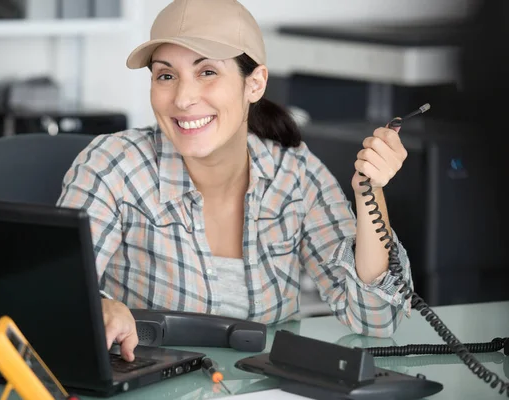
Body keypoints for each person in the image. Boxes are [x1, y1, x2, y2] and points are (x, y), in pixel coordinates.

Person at [57, 0, 414, 362]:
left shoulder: (295, 173)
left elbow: (376, 318)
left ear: (254, 84)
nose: (183, 98)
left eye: (207, 72)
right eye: (166, 75)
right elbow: (54, 291)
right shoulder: (113, 164)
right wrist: (100, 307)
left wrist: (371, 193)